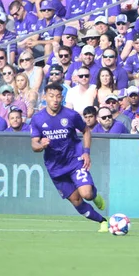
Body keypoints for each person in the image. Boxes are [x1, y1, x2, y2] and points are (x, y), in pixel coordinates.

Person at [31, 83, 108, 233]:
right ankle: (103, 221)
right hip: (56, 168)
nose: (55, 100)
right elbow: (34, 143)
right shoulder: (38, 119)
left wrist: (86, 152)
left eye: (58, 96)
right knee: (76, 201)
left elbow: (86, 131)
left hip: (74, 161)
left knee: (86, 194)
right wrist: (41, 145)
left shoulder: (71, 115)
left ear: (62, 98)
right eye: (51, 96)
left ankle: (94, 195)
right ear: (45, 97)